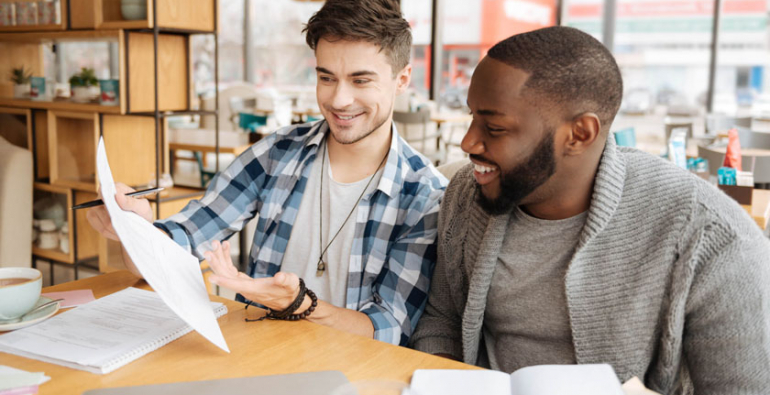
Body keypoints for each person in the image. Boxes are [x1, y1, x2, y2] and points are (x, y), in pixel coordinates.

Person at [411, 26, 770, 394]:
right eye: (471, 117)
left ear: (579, 134)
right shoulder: (467, 195)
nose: (468, 141)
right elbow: (442, 320)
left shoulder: (715, 239)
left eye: (495, 127)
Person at [88, 0, 447, 346]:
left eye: (360, 80)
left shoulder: (425, 194)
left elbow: (387, 330)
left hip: (354, 375)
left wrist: (300, 305)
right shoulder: (279, 152)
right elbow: (180, 242)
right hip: (259, 357)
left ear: (402, 80)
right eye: (326, 77)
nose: (339, 100)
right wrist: (134, 230)